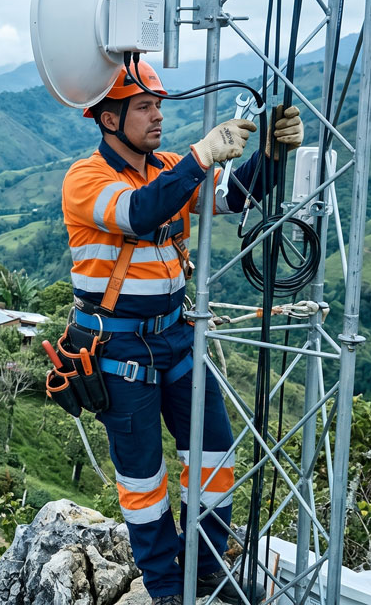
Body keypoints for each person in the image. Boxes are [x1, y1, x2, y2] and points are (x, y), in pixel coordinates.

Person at [61, 60, 301, 605]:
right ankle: (166, 588)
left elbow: (232, 197)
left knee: (214, 456)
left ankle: (209, 565)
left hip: (176, 335)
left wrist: (271, 152)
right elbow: (140, 213)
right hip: (118, 344)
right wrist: (200, 157)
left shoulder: (168, 167)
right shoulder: (86, 179)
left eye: (158, 106)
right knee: (144, 478)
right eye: (144, 107)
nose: (157, 117)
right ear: (108, 121)